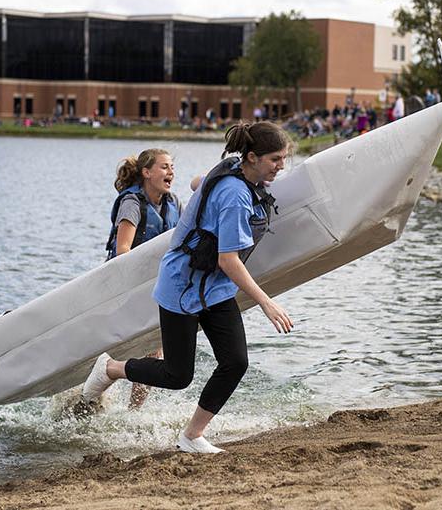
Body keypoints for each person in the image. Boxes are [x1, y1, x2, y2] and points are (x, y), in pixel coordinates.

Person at [81, 122, 293, 453]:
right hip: (183, 287)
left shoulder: (235, 170)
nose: (281, 166)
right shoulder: (236, 194)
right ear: (252, 157)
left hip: (216, 288)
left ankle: (191, 436)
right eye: (276, 160)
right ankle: (110, 368)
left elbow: (197, 182)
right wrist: (266, 302)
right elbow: (228, 260)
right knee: (178, 376)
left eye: (284, 159)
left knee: (235, 362)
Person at [103, 148, 181, 408]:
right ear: (146, 173)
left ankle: (134, 411)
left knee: (154, 349)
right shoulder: (132, 203)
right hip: (125, 286)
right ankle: (91, 396)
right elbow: (122, 249)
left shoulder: (174, 203)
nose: (170, 172)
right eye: (164, 167)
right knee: (118, 346)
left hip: (158, 287)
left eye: (172, 167)